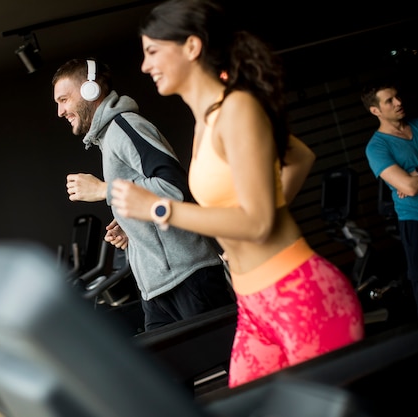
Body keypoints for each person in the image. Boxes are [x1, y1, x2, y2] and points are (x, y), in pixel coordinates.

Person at [109, 0, 364, 388]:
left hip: (298, 294)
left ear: (192, 48)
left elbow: (258, 221)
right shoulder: (206, 121)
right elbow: (299, 157)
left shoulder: (238, 108)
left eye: (153, 51)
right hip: (253, 305)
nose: (144, 65)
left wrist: (159, 208)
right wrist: (260, 212)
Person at [52, 58, 236, 332]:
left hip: (189, 277)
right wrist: (133, 227)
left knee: (236, 368)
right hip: (155, 289)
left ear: (91, 90)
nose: (60, 111)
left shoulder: (126, 127)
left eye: (64, 99)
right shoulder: (108, 137)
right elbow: (151, 196)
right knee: (165, 374)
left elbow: (174, 187)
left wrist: (104, 190)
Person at [362, 80, 418, 318]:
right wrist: (409, 181)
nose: (399, 102)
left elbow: (410, 183)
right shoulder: (376, 148)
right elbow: (409, 187)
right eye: (389, 101)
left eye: (397, 97)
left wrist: (414, 174)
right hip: (415, 220)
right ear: (375, 111)